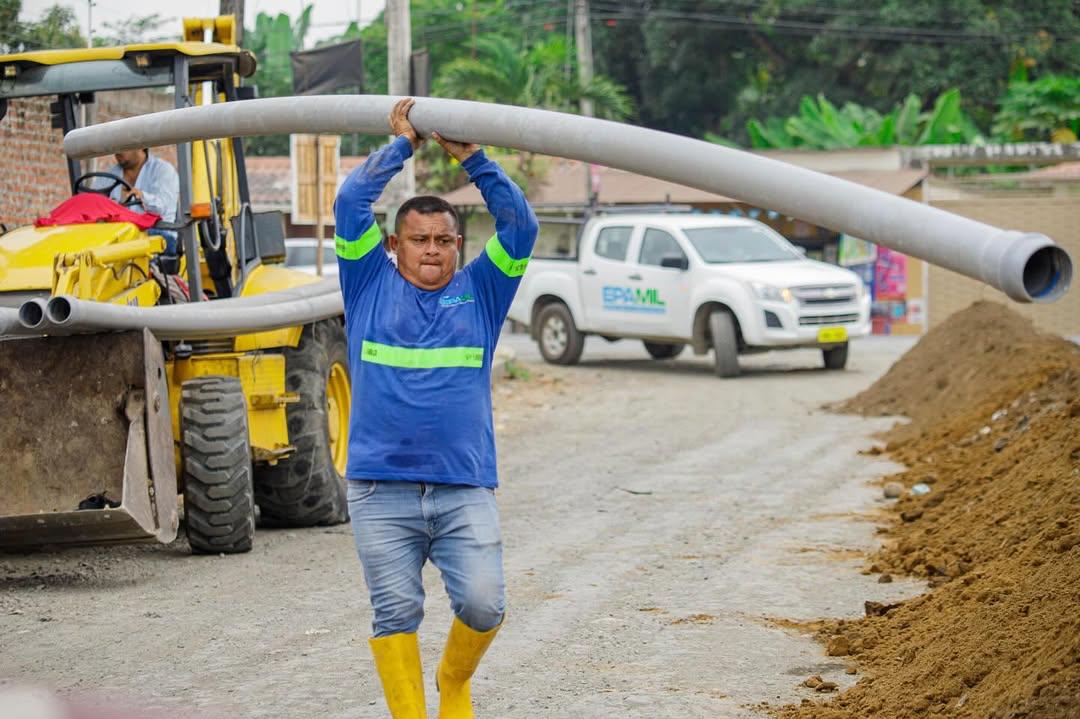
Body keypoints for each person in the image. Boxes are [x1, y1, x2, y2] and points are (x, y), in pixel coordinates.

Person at [334, 98, 537, 719]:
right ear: (394, 244)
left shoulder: (482, 289)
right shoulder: (367, 281)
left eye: (444, 240)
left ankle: (454, 683)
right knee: (394, 614)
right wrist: (402, 146)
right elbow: (349, 205)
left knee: (484, 605)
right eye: (419, 240)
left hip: (463, 487)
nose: (432, 250)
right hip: (379, 489)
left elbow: (520, 226)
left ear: (459, 244)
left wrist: (472, 158)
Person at [101, 148, 179, 253]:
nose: (117, 150)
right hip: (120, 235)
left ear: (141, 145)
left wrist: (142, 197)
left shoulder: (163, 170)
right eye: (115, 145)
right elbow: (95, 201)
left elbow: (162, 207)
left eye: (123, 145)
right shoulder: (108, 175)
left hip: (158, 234)